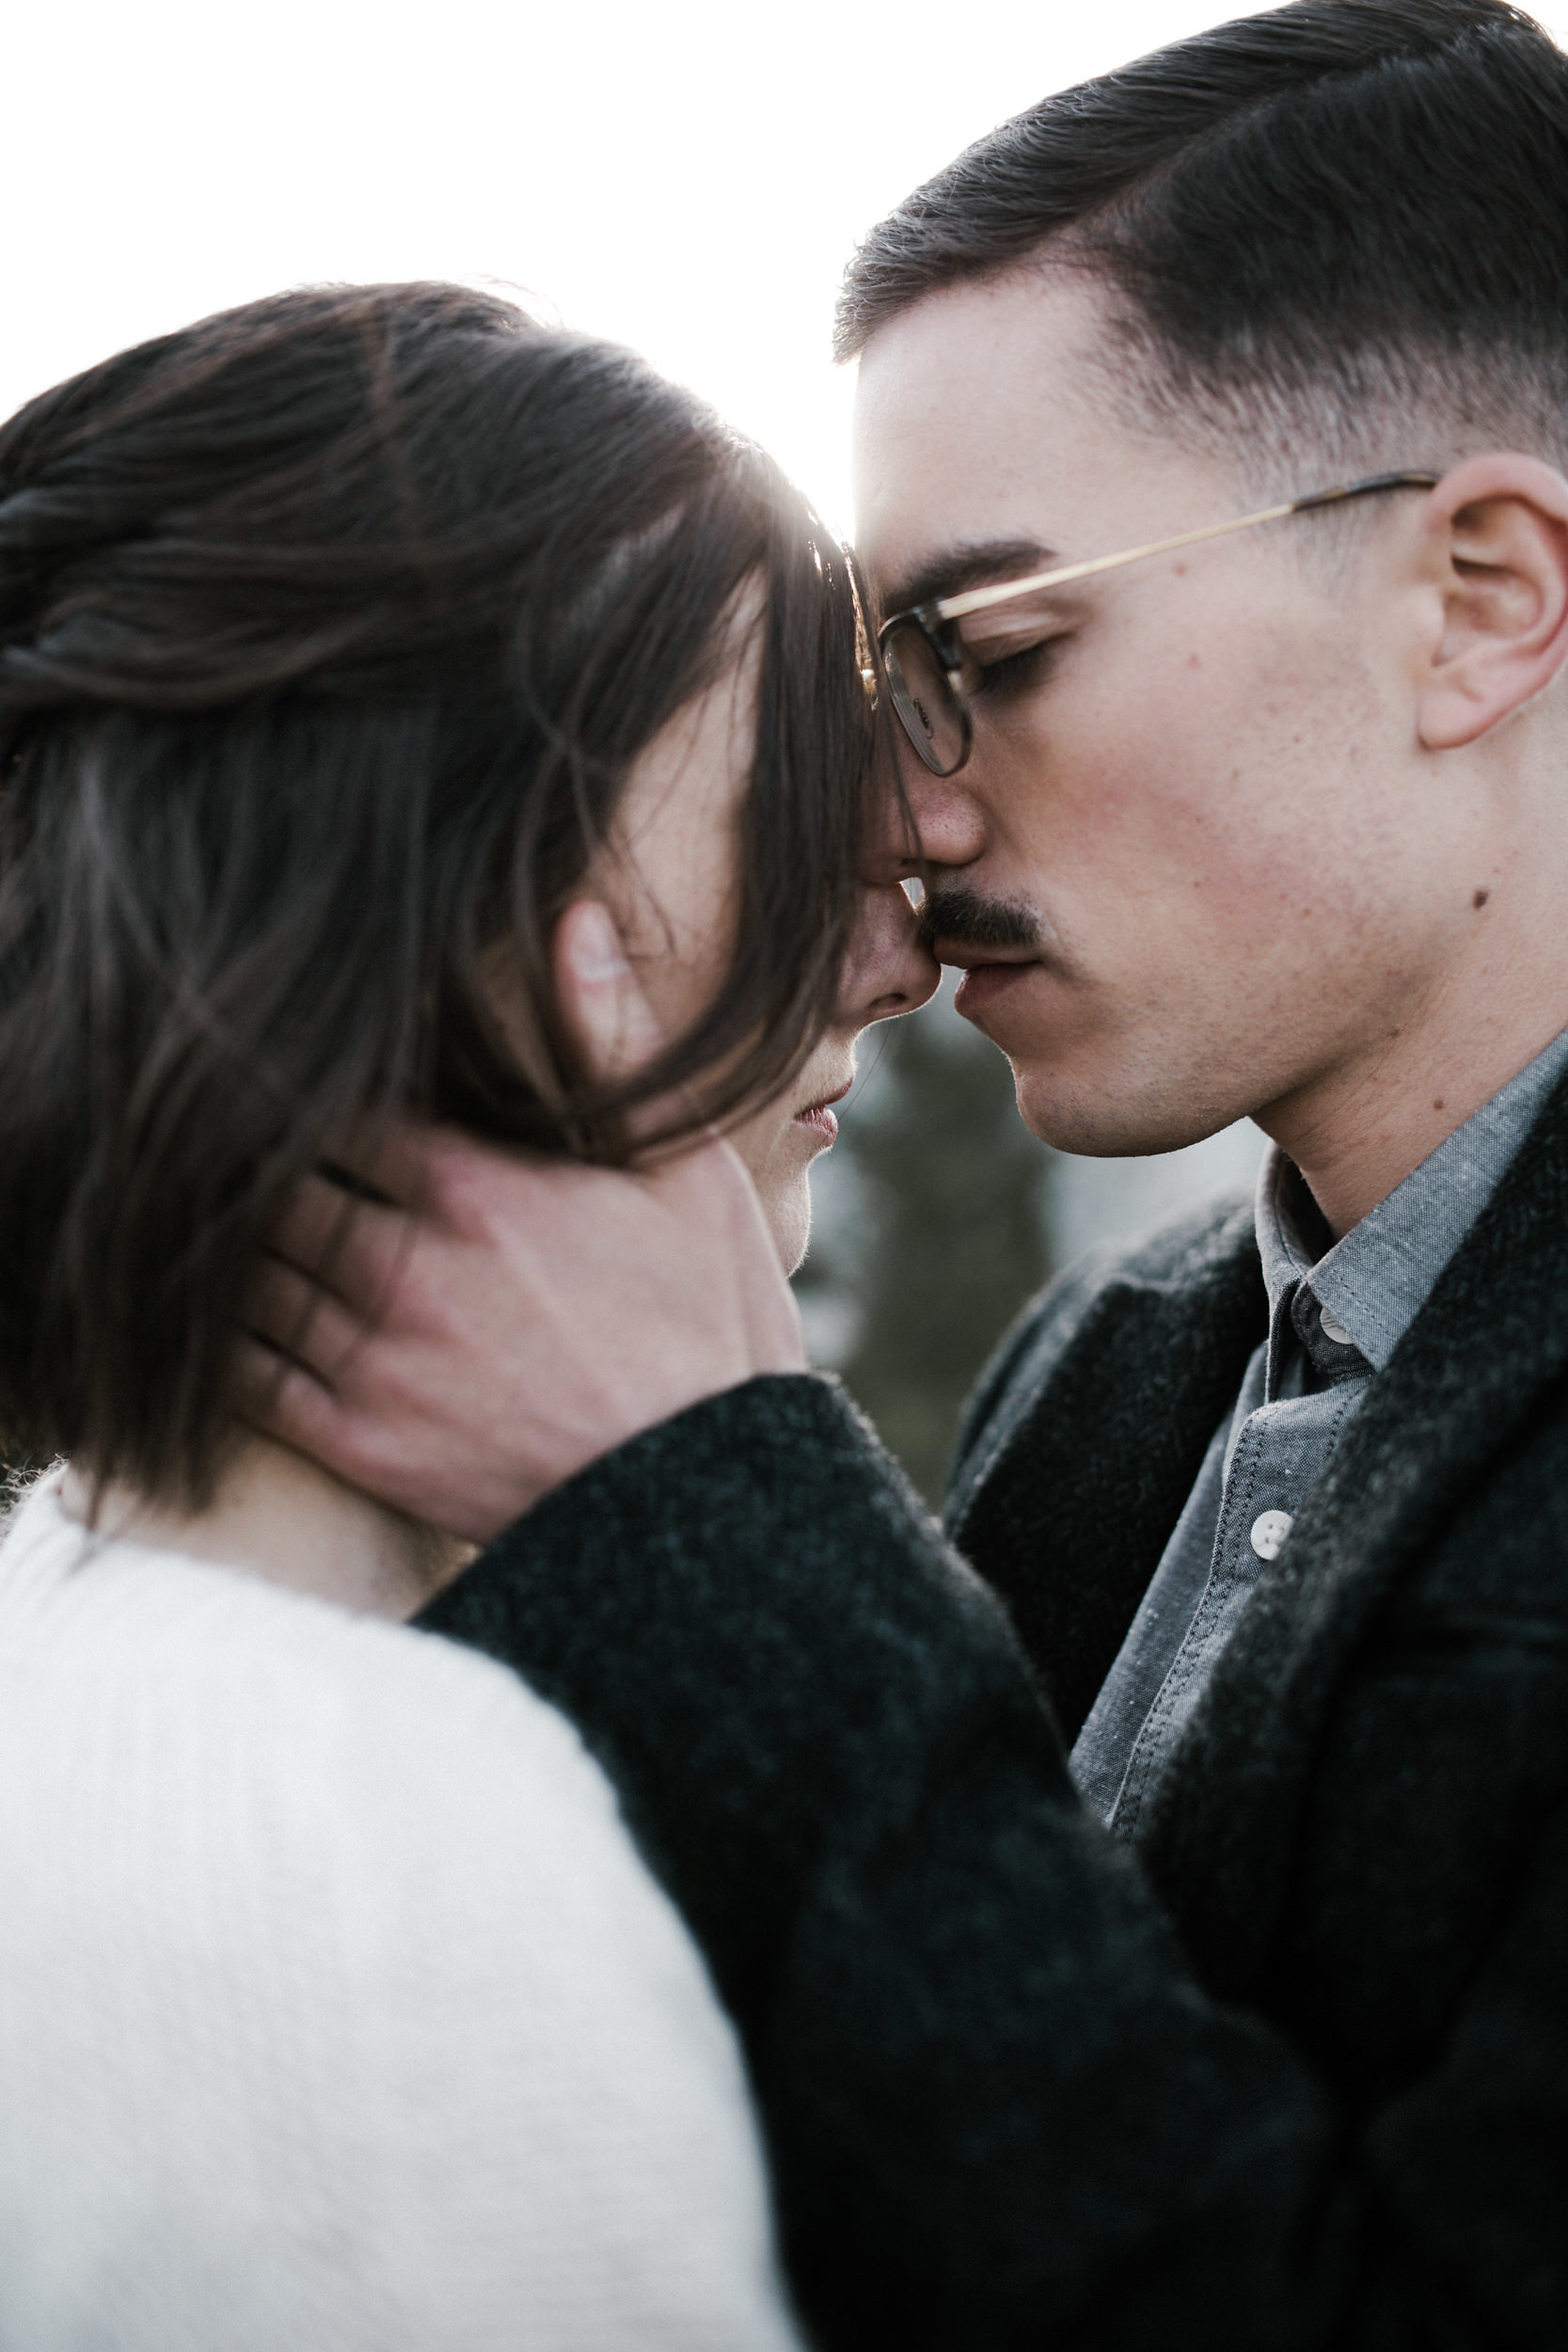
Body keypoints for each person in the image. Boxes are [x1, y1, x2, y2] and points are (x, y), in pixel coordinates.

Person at [247, 4, 1568, 2347]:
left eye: (989, 650)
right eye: (881, 678)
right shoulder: (1110, 1362)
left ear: (1477, 597)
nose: (904, 811)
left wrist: (699, 1498)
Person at [0, 278, 937, 2346]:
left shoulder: (75, 1622)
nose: (896, 949)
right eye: (789, 819)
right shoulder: (382, 1884)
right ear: (454, 925)